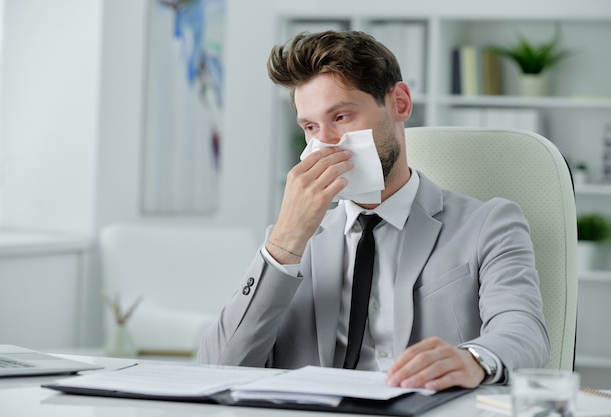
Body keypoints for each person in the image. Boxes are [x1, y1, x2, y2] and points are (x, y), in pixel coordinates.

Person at [197, 30, 549, 391]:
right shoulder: (293, 243)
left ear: (399, 103)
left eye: (341, 117)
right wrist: (284, 242)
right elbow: (217, 369)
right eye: (311, 127)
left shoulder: (487, 224)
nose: (325, 143)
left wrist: (474, 359)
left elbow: (524, 330)